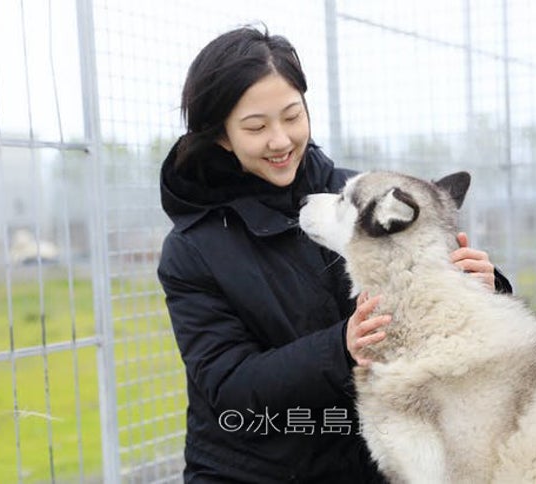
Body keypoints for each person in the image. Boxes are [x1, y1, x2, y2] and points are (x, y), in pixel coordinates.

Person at [157, 24, 512, 483]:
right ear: (222, 136)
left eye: (292, 115)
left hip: (372, 465)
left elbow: (431, 311)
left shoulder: (364, 199)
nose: (281, 140)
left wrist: (485, 285)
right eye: (256, 127)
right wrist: (340, 346)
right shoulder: (192, 249)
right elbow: (228, 387)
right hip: (252, 471)